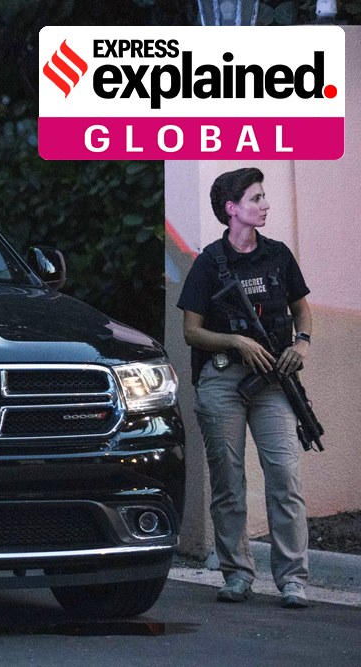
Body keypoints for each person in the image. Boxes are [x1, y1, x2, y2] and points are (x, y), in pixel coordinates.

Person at [177, 167, 313, 609]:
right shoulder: (209, 262)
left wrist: (302, 344)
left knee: (284, 475)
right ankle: (236, 574)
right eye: (256, 199)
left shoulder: (277, 255)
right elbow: (191, 332)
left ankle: (292, 578)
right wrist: (236, 341)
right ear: (232, 209)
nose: (265, 204)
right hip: (223, 377)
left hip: (273, 378)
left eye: (264, 197)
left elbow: (301, 309)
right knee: (228, 481)